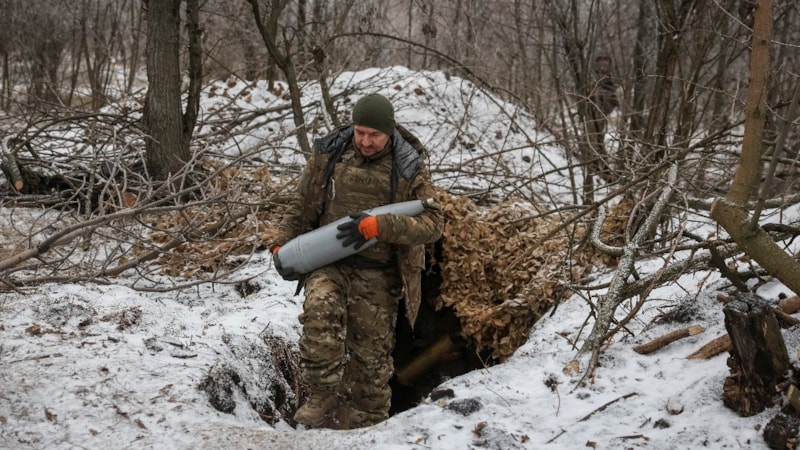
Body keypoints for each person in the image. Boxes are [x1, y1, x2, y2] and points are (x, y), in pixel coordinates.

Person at [268, 93, 443, 429]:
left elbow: (433, 223)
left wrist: (382, 226)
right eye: (360, 132)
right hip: (329, 262)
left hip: (379, 273)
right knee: (319, 312)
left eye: (374, 135)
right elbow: (300, 203)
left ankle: (370, 425)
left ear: (389, 132)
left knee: (371, 362)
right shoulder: (330, 153)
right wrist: (281, 241)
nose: (365, 141)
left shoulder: (408, 165)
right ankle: (321, 395)